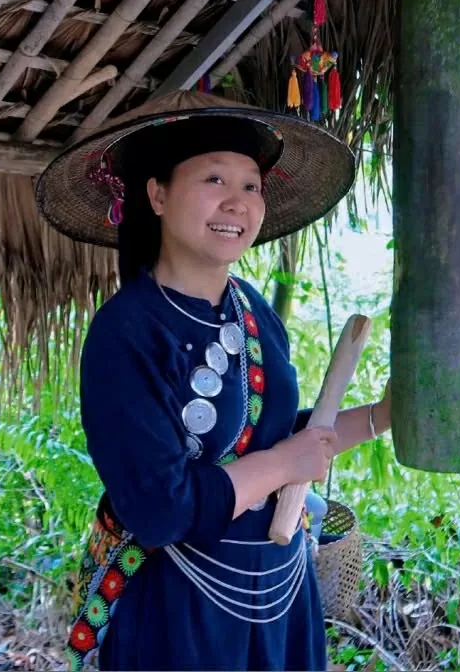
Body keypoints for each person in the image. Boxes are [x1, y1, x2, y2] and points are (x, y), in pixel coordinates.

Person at [35, 91, 391, 671]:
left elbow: (281, 439)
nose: (237, 201)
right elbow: (161, 510)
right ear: (157, 195)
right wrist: (284, 464)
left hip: (280, 599)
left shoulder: (254, 311)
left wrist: (383, 416)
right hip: (177, 616)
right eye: (214, 179)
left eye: (251, 185)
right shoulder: (125, 333)